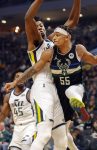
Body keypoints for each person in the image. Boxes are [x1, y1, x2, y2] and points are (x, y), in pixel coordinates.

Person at [5, 0, 81, 149]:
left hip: (56, 89)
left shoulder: (54, 41)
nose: (38, 28)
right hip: (42, 87)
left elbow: (72, 20)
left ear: (46, 29)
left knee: (62, 138)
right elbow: (28, 18)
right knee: (44, 135)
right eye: (36, 27)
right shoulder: (34, 43)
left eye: (41, 26)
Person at [0, 72, 36, 150]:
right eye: (17, 77)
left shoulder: (30, 93)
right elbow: (3, 114)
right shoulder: (8, 97)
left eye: (23, 77)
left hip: (30, 126)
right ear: (14, 80)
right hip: (17, 128)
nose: (20, 78)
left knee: (26, 145)